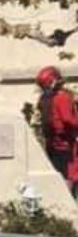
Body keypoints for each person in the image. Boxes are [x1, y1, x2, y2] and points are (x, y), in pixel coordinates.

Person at [35, 65, 78, 196]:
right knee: (69, 174)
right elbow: (68, 120)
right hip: (67, 143)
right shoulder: (62, 97)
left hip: (52, 143)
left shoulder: (43, 100)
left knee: (58, 172)